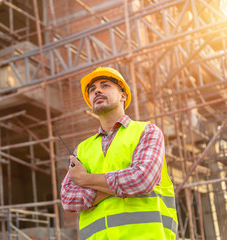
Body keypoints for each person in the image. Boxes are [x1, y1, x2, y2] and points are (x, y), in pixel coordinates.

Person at [60, 67, 178, 239]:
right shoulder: (83, 149)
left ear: (123, 95)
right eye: (92, 90)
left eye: (105, 85)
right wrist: (122, 186)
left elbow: (142, 180)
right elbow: (68, 198)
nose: (97, 91)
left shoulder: (147, 131)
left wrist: (86, 180)